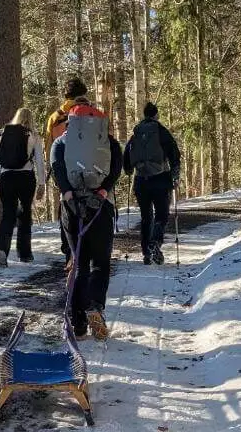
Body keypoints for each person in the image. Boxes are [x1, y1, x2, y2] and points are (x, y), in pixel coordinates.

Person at [50, 96, 123, 340]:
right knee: (101, 263)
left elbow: (57, 169)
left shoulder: (61, 142)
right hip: (101, 206)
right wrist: (103, 191)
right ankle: (96, 306)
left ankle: (78, 322)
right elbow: (117, 166)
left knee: (79, 264)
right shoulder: (107, 141)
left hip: (72, 208)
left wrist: (69, 196)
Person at [123, 101, 181, 264]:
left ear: (144, 115)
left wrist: (128, 170)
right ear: (156, 115)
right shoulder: (161, 131)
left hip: (141, 180)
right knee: (161, 215)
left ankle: (146, 253)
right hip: (161, 179)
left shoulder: (136, 133)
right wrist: (175, 176)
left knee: (145, 216)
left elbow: (127, 156)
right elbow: (174, 153)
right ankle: (155, 242)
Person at [0, 107, 46, 266]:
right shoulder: (32, 136)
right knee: (25, 214)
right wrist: (42, 184)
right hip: (26, 178)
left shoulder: (4, 135)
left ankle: (2, 249)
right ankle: (25, 253)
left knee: (8, 215)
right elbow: (40, 162)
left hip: (6, 178)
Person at [44, 77, 88, 269]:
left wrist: (51, 168)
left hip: (63, 168)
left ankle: (69, 251)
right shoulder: (91, 112)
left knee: (67, 208)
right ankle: (87, 249)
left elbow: (49, 146)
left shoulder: (55, 116)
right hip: (88, 167)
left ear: (65, 95)